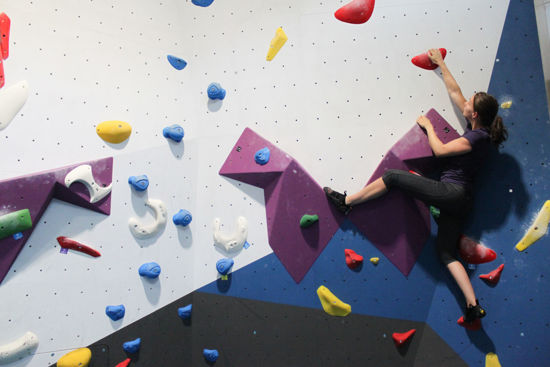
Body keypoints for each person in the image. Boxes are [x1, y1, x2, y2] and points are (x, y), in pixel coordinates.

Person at [324, 48, 508, 323]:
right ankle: (472, 306)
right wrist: (442, 64)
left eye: (470, 103)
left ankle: (346, 203)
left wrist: (428, 127)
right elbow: (456, 94)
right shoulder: (480, 131)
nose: (464, 102)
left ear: (475, 114)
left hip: (452, 194)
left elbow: (441, 152)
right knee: (446, 253)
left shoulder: (477, 137)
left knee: (394, 177)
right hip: (461, 202)